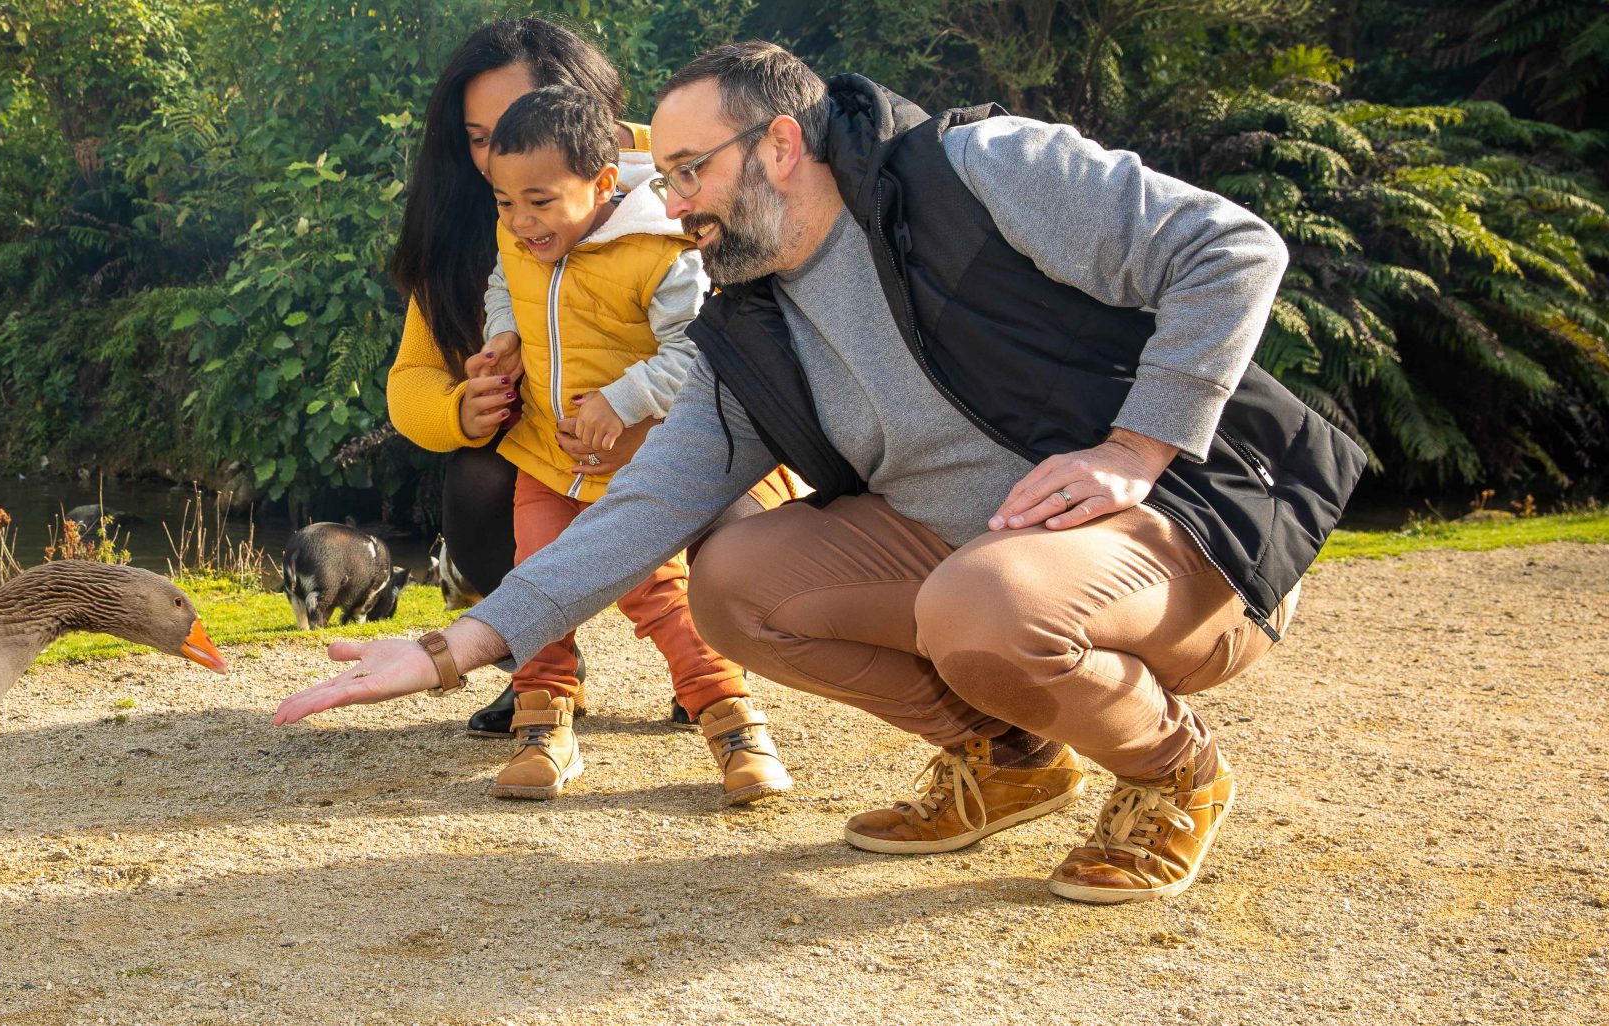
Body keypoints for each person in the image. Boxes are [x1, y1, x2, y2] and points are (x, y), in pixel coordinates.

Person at [284, 40, 1364, 905]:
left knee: (978, 599)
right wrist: (456, 645)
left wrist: (1137, 447)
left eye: (690, 173)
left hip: (1182, 541)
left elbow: (1233, 249)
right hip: (984, 573)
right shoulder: (744, 322)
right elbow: (647, 506)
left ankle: (1174, 769)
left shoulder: (979, 173)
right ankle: (1011, 755)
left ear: (782, 144)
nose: (675, 205)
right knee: (736, 583)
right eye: (662, 179)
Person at [383, 18, 798, 737]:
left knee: (696, 536)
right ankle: (542, 674)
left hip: (696, 429)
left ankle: (712, 676)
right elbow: (411, 378)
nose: (497, 157)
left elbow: (736, 338)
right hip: (560, 445)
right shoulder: (486, 214)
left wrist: (641, 409)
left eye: (520, 120)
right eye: (479, 137)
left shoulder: (670, 178)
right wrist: (463, 406)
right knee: (481, 481)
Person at [463, 84, 790, 804]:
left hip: (639, 464)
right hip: (548, 457)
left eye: (540, 202)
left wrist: (623, 399)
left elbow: (695, 352)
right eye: (504, 203)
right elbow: (503, 286)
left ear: (604, 183)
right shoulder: (518, 241)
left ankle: (731, 722)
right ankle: (543, 720)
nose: (520, 222)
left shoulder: (661, 251)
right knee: (537, 576)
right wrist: (503, 337)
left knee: (657, 591)